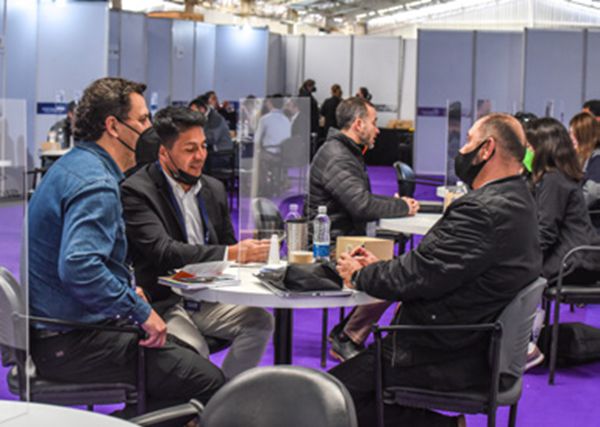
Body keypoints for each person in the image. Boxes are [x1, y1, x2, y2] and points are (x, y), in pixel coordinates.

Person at [28, 78, 225, 418]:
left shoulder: (77, 165)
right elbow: (79, 266)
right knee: (211, 385)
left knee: (186, 359)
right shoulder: (96, 183)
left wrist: (124, 291)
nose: (150, 129)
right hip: (72, 341)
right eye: (143, 119)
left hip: (61, 331)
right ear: (113, 126)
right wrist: (138, 310)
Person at [332, 113, 542, 427]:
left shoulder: (482, 211)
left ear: (487, 149)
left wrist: (360, 274)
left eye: (469, 141)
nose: (463, 150)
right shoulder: (519, 200)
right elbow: (432, 268)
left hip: (441, 351)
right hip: (472, 343)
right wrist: (380, 268)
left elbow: (417, 275)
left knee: (326, 397)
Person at [121, 106, 273, 379]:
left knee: (260, 322)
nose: (200, 156)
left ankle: (224, 395)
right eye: (190, 149)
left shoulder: (213, 188)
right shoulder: (137, 191)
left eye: (203, 146)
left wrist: (249, 257)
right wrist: (232, 253)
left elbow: (227, 244)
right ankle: (212, 396)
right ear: (164, 153)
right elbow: (163, 251)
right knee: (196, 351)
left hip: (208, 296)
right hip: (164, 302)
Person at [308, 97, 419, 361]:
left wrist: (396, 204)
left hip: (344, 240)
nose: (377, 129)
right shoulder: (338, 156)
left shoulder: (343, 152)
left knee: (401, 269)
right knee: (395, 276)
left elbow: (359, 199)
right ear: (359, 124)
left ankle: (346, 330)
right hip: (328, 247)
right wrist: (401, 206)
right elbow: (361, 205)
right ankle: (348, 337)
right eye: (374, 122)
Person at [527, 117, 600, 283]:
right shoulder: (559, 176)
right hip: (577, 256)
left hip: (571, 260)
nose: (528, 152)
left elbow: (546, 232)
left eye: (530, 147)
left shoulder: (553, 180)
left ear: (543, 149)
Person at [569, 112, 600, 227]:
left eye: (573, 134)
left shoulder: (597, 159)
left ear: (583, 135)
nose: (570, 138)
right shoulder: (585, 158)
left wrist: (571, 208)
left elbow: (592, 192)